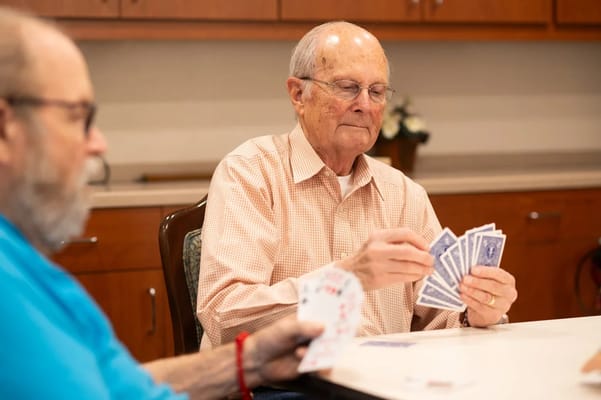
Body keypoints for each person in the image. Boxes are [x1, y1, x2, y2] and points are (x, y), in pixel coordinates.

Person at [0, 7, 324, 399]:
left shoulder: (25, 266)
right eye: (77, 117)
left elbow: (117, 383)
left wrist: (250, 360)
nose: (99, 143)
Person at [197, 20, 518, 349]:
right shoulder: (250, 174)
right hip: (280, 384)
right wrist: (345, 280)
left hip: (384, 381)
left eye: (376, 92)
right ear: (298, 94)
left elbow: (439, 316)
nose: (364, 104)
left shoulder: (405, 195)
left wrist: (476, 311)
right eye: (347, 87)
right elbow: (225, 316)